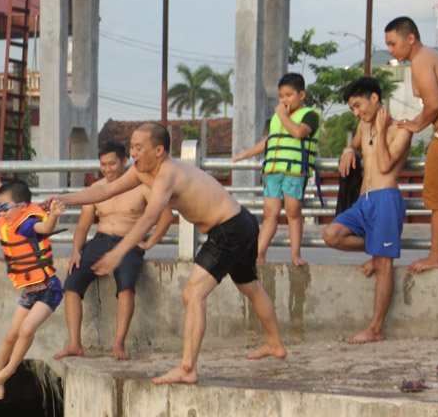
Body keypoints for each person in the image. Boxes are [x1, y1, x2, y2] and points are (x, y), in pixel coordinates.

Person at [52, 122, 286, 385]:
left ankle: (188, 368)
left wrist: (118, 252)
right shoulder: (141, 172)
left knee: (193, 293)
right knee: (250, 286)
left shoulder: (168, 174)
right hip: (241, 222)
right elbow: (104, 190)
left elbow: (150, 217)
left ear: (159, 151)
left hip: (229, 229)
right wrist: (65, 199)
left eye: (139, 148)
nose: (133, 153)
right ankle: (275, 343)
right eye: (132, 147)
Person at [53, 141, 174, 360]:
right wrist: (76, 251)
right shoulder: (96, 189)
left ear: (124, 161)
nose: (107, 169)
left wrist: (150, 242)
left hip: (129, 242)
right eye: (103, 164)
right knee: (71, 283)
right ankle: (74, 344)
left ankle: (118, 345)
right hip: (99, 241)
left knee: (126, 287)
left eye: (112, 163)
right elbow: (83, 226)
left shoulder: (142, 186)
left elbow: (167, 215)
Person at [325, 77, 412, 344]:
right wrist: (348, 150)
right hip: (364, 201)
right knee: (331, 235)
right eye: (352, 107)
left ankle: (375, 328)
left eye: (358, 105)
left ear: (374, 98)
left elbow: (385, 165)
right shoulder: (363, 125)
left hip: (386, 198)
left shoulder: (401, 129)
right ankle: (377, 250)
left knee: (384, 264)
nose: (356, 112)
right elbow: (356, 145)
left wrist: (381, 131)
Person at [0, 150, 65, 399]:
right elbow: (2, 191)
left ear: (22, 207)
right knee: (10, 336)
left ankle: (8, 372)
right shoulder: (12, 212)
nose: (2, 212)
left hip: (49, 289)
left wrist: (54, 216)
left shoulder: (27, 223)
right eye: (0, 207)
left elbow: (44, 227)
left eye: (5, 208)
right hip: (29, 291)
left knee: (27, 330)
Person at [380, 16, 438, 273]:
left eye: (393, 43)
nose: (390, 50)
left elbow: (434, 103)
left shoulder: (421, 59)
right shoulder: (431, 57)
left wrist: (416, 124)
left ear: (410, 38)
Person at [232, 73, 320, 267]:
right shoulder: (278, 119)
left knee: (293, 212)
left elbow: (298, 132)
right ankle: (259, 255)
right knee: (269, 214)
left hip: (294, 171)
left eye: (288, 95)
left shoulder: (310, 115)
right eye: (281, 96)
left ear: (301, 95)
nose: (284, 100)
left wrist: (282, 115)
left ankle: (295, 254)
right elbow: (269, 142)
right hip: (273, 172)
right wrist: (244, 155)